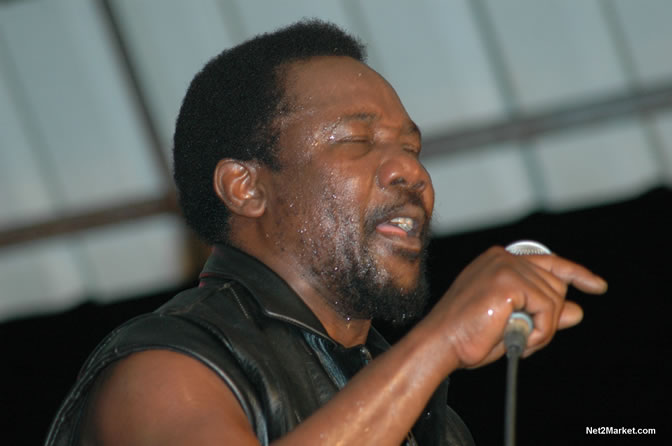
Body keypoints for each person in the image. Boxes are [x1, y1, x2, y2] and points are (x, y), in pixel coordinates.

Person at [45, 20, 607, 446]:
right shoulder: (164, 367)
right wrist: (441, 342)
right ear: (245, 187)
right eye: (357, 141)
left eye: (411, 147)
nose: (412, 171)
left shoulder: (432, 421)